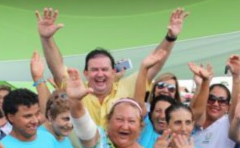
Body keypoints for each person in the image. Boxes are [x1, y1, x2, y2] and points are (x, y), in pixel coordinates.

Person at [36, 7, 188, 126]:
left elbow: (155, 62)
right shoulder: (77, 89)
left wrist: (171, 37)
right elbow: (57, 67)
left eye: (104, 69)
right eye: (94, 70)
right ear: (86, 73)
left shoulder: (127, 86)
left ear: (114, 71)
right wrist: (46, 38)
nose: (100, 74)